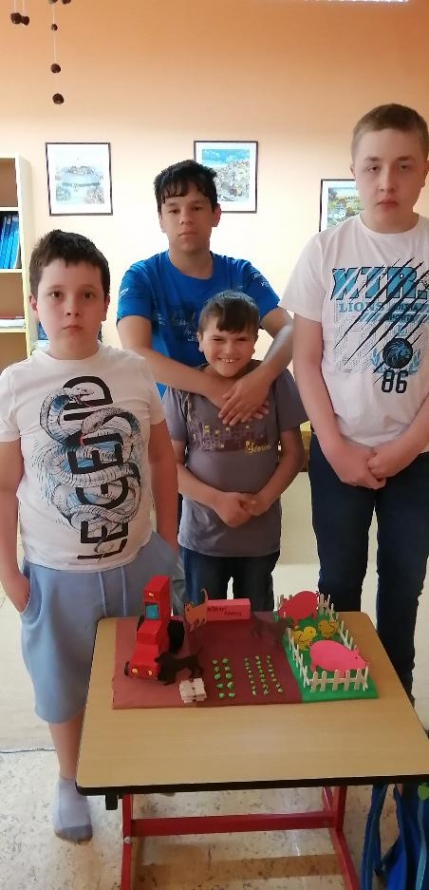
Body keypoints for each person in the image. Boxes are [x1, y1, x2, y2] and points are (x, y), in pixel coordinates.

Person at [0, 230, 183, 843]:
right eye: (56, 294)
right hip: (55, 576)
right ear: (34, 303)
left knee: (144, 666)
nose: (71, 307)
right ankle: (70, 778)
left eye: (86, 294)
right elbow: (4, 487)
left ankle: (140, 759)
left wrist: (168, 541)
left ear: (105, 303)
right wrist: (10, 577)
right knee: (63, 683)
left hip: (137, 562)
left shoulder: (133, 371)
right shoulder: (16, 384)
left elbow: (160, 457)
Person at [283, 103, 429, 698]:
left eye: (403, 166)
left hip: (416, 458)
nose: (386, 181)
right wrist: (335, 447)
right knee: (339, 579)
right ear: (354, 171)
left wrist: (407, 447)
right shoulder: (326, 250)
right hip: (337, 452)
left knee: (403, 583)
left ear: (425, 170)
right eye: (372, 167)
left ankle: (396, 701)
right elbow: (305, 360)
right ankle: (336, 694)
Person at [117, 159, 293, 426]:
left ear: (216, 214)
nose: (185, 218)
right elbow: (135, 351)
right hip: (166, 423)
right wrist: (211, 387)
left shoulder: (241, 274)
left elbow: (290, 330)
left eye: (196, 207)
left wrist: (262, 377)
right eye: (173, 210)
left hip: (237, 415)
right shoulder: (141, 277)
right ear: (161, 219)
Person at [162, 291, 306, 609]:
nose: (229, 349)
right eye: (218, 339)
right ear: (200, 340)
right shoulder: (182, 391)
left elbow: (294, 453)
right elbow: (170, 465)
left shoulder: (277, 382)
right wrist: (216, 500)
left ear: (255, 341)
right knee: (202, 623)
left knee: (256, 621)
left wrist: (264, 499)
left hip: (260, 537)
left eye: (241, 339)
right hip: (202, 538)